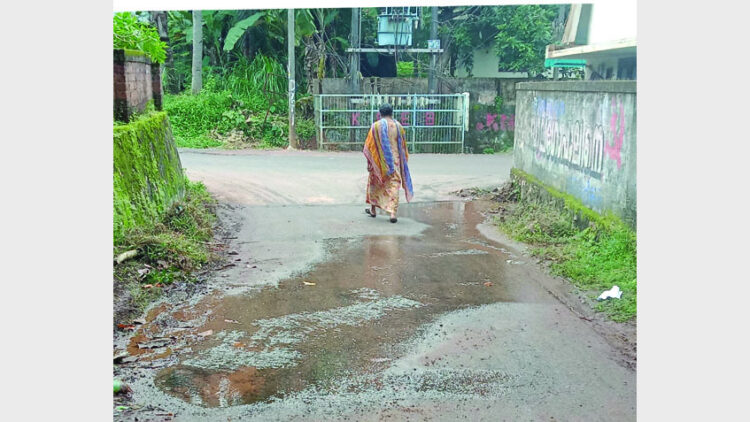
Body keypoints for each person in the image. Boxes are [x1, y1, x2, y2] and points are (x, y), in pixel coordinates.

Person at [363, 103, 414, 223]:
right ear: (392, 113)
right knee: (394, 186)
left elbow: (370, 146)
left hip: (379, 162)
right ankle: (392, 213)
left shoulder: (376, 127)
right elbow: (403, 147)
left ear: (380, 113)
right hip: (394, 162)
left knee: (375, 184)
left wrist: (370, 162)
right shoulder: (399, 126)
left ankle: (373, 210)